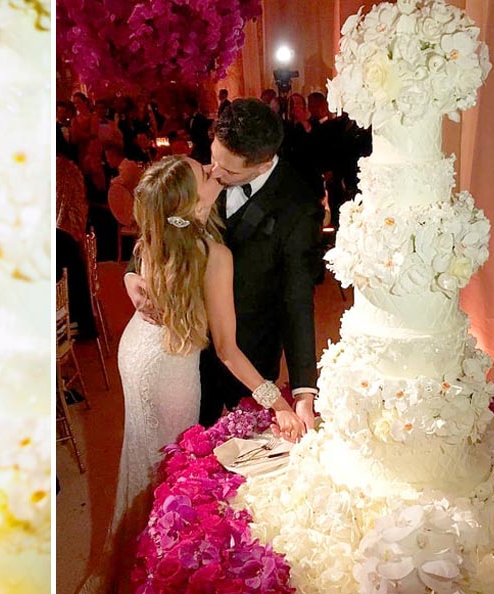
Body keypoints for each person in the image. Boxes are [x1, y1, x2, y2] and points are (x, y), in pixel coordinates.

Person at [79, 155, 306, 594]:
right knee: (171, 470)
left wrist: (130, 279)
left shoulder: (162, 229)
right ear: (191, 201)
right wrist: (278, 402)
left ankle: (132, 560)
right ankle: (149, 568)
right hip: (168, 368)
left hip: (137, 350)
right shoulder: (213, 254)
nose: (210, 167)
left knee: (145, 458)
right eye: (202, 172)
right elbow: (227, 350)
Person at [126, 98, 321, 431]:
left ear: (263, 164)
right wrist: (132, 275)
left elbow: (297, 301)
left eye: (229, 171)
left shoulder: (298, 206)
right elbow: (163, 219)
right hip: (175, 352)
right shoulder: (203, 172)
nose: (215, 172)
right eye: (213, 159)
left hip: (247, 355)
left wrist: (303, 393)